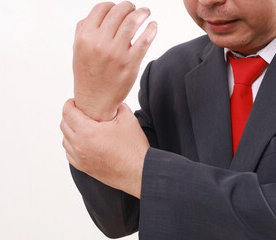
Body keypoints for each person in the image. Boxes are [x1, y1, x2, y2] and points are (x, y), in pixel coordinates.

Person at [60, 0, 276, 239]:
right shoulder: (170, 71)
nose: (206, 2)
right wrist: (96, 109)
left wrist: (142, 173)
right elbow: (121, 217)